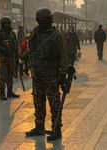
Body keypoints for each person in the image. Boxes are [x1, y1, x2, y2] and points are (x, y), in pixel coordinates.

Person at [25, 8, 68, 140]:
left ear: (50, 20)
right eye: (40, 20)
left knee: (54, 103)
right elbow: (30, 49)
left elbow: (64, 57)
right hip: (37, 75)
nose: (42, 23)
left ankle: (56, 129)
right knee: (38, 102)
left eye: (44, 20)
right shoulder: (35, 34)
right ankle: (39, 127)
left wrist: (63, 75)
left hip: (51, 76)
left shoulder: (57, 35)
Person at [0, 17, 20, 100]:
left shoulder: (12, 33)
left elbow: (16, 45)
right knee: (3, 75)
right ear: (2, 24)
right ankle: (2, 93)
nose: (7, 25)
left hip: (12, 57)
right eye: (5, 23)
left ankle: (9, 91)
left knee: (10, 74)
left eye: (8, 23)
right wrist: (2, 48)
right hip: (4, 57)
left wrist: (17, 55)